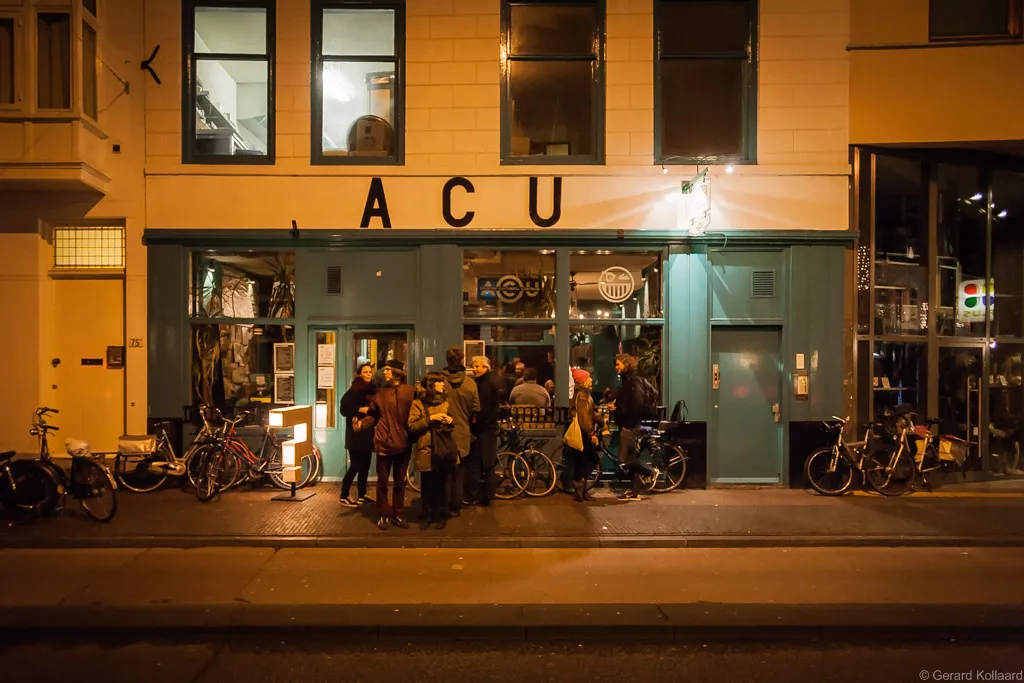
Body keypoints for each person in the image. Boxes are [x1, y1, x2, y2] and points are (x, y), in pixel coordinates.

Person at [372, 360, 416, 530]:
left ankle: (397, 513)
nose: (385, 372)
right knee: (382, 481)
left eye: (388, 369)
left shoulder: (410, 391)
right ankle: (383, 514)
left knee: (399, 481)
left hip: (403, 441)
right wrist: (361, 421)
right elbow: (373, 413)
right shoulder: (381, 392)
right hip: (384, 441)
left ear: (397, 372)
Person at [408, 373, 455, 529]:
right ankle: (427, 514)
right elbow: (412, 425)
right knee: (428, 484)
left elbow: (453, 421)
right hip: (426, 448)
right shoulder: (418, 403)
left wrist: (450, 420)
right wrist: (431, 419)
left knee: (442, 482)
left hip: (443, 447)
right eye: (439, 382)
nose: (443, 384)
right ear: (431, 385)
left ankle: (439, 515)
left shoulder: (446, 401)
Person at [610, 353, 658, 501]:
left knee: (624, 459)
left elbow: (635, 405)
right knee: (632, 457)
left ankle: (650, 471)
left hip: (630, 424)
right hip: (629, 423)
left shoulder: (633, 381)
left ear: (626, 364)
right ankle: (634, 491)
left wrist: (627, 421)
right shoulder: (628, 380)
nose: (616, 367)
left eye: (618, 364)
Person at [441, 347, 480, 516]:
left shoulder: (439, 381)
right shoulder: (470, 383)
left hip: (442, 433)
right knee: (459, 473)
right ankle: (455, 506)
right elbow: (476, 408)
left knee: (442, 473)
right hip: (462, 433)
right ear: (462, 359)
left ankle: (442, 504)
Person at [338, 363, 377, 507]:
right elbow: (344, 408)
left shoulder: (373, 388)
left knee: (366, 464)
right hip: (356, 432)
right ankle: (344, 495)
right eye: (365, 372)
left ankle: (362, 494)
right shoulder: (355, 389)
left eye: (370, 372)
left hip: (368, 432)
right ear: (359, 374)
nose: (368, 374)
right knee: (355, 464)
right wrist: (360, 409)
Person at [467, 356, 502, 506]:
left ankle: (481, 495)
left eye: (477, 366)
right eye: (473, 366)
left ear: (485, 368)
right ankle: (487, 494)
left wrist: (475, 426)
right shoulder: (488, 381)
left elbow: (483, 409)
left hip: (484, 429)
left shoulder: (485, 384)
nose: (474, 369)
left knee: (480, 463)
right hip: (488, 428)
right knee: (487, 462)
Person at [567, 367, 601, 503]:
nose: (591, 379)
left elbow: (590, 413)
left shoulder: (583, 394)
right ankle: (580, 483)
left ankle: (582, 490)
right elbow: (584, 417)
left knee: (582, 461)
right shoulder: (582, 396)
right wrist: (591, 433)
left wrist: (600, 420)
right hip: (583, 432)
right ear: (582, 381)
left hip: (583, 432)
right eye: (588, 378)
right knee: (593, 458)